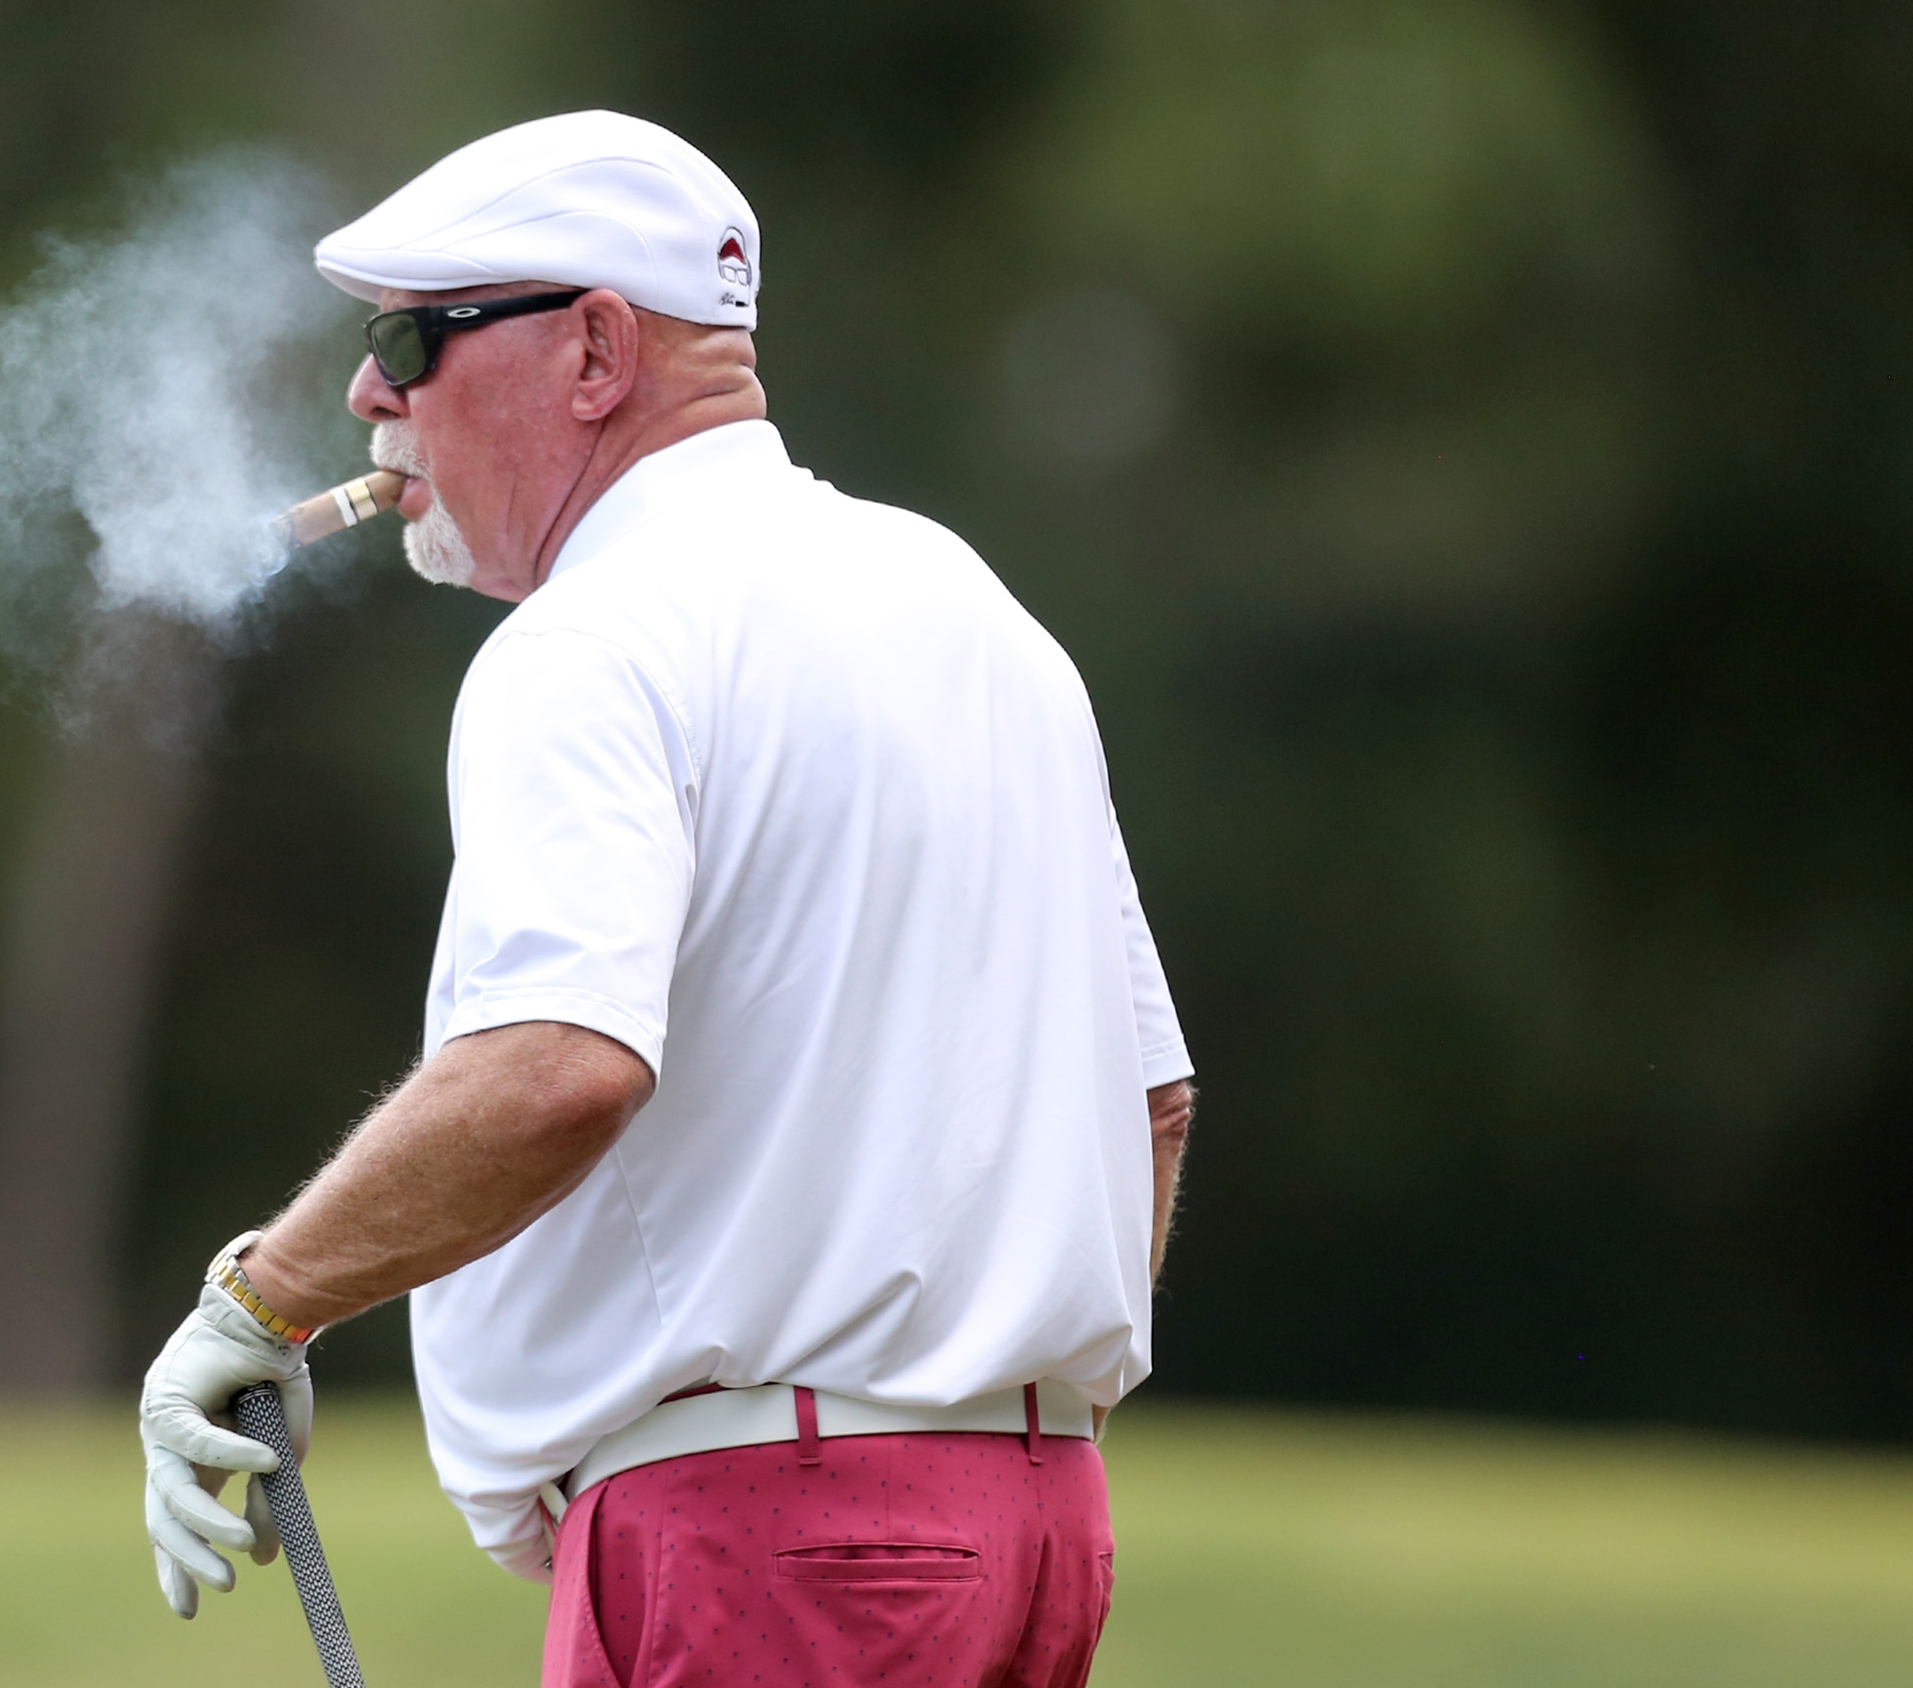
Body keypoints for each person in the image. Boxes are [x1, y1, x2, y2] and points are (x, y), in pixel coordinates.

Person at [138, 112, 1198, 1686]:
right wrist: (966, 1413)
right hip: (1030, 1524)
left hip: (775, 1535)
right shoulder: (973, 604)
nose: (373, 392)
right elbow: (1153, 1105)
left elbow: (557, 1064)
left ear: (592, 354)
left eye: (415, 338)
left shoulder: (589, 638)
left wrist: (261, 1301)